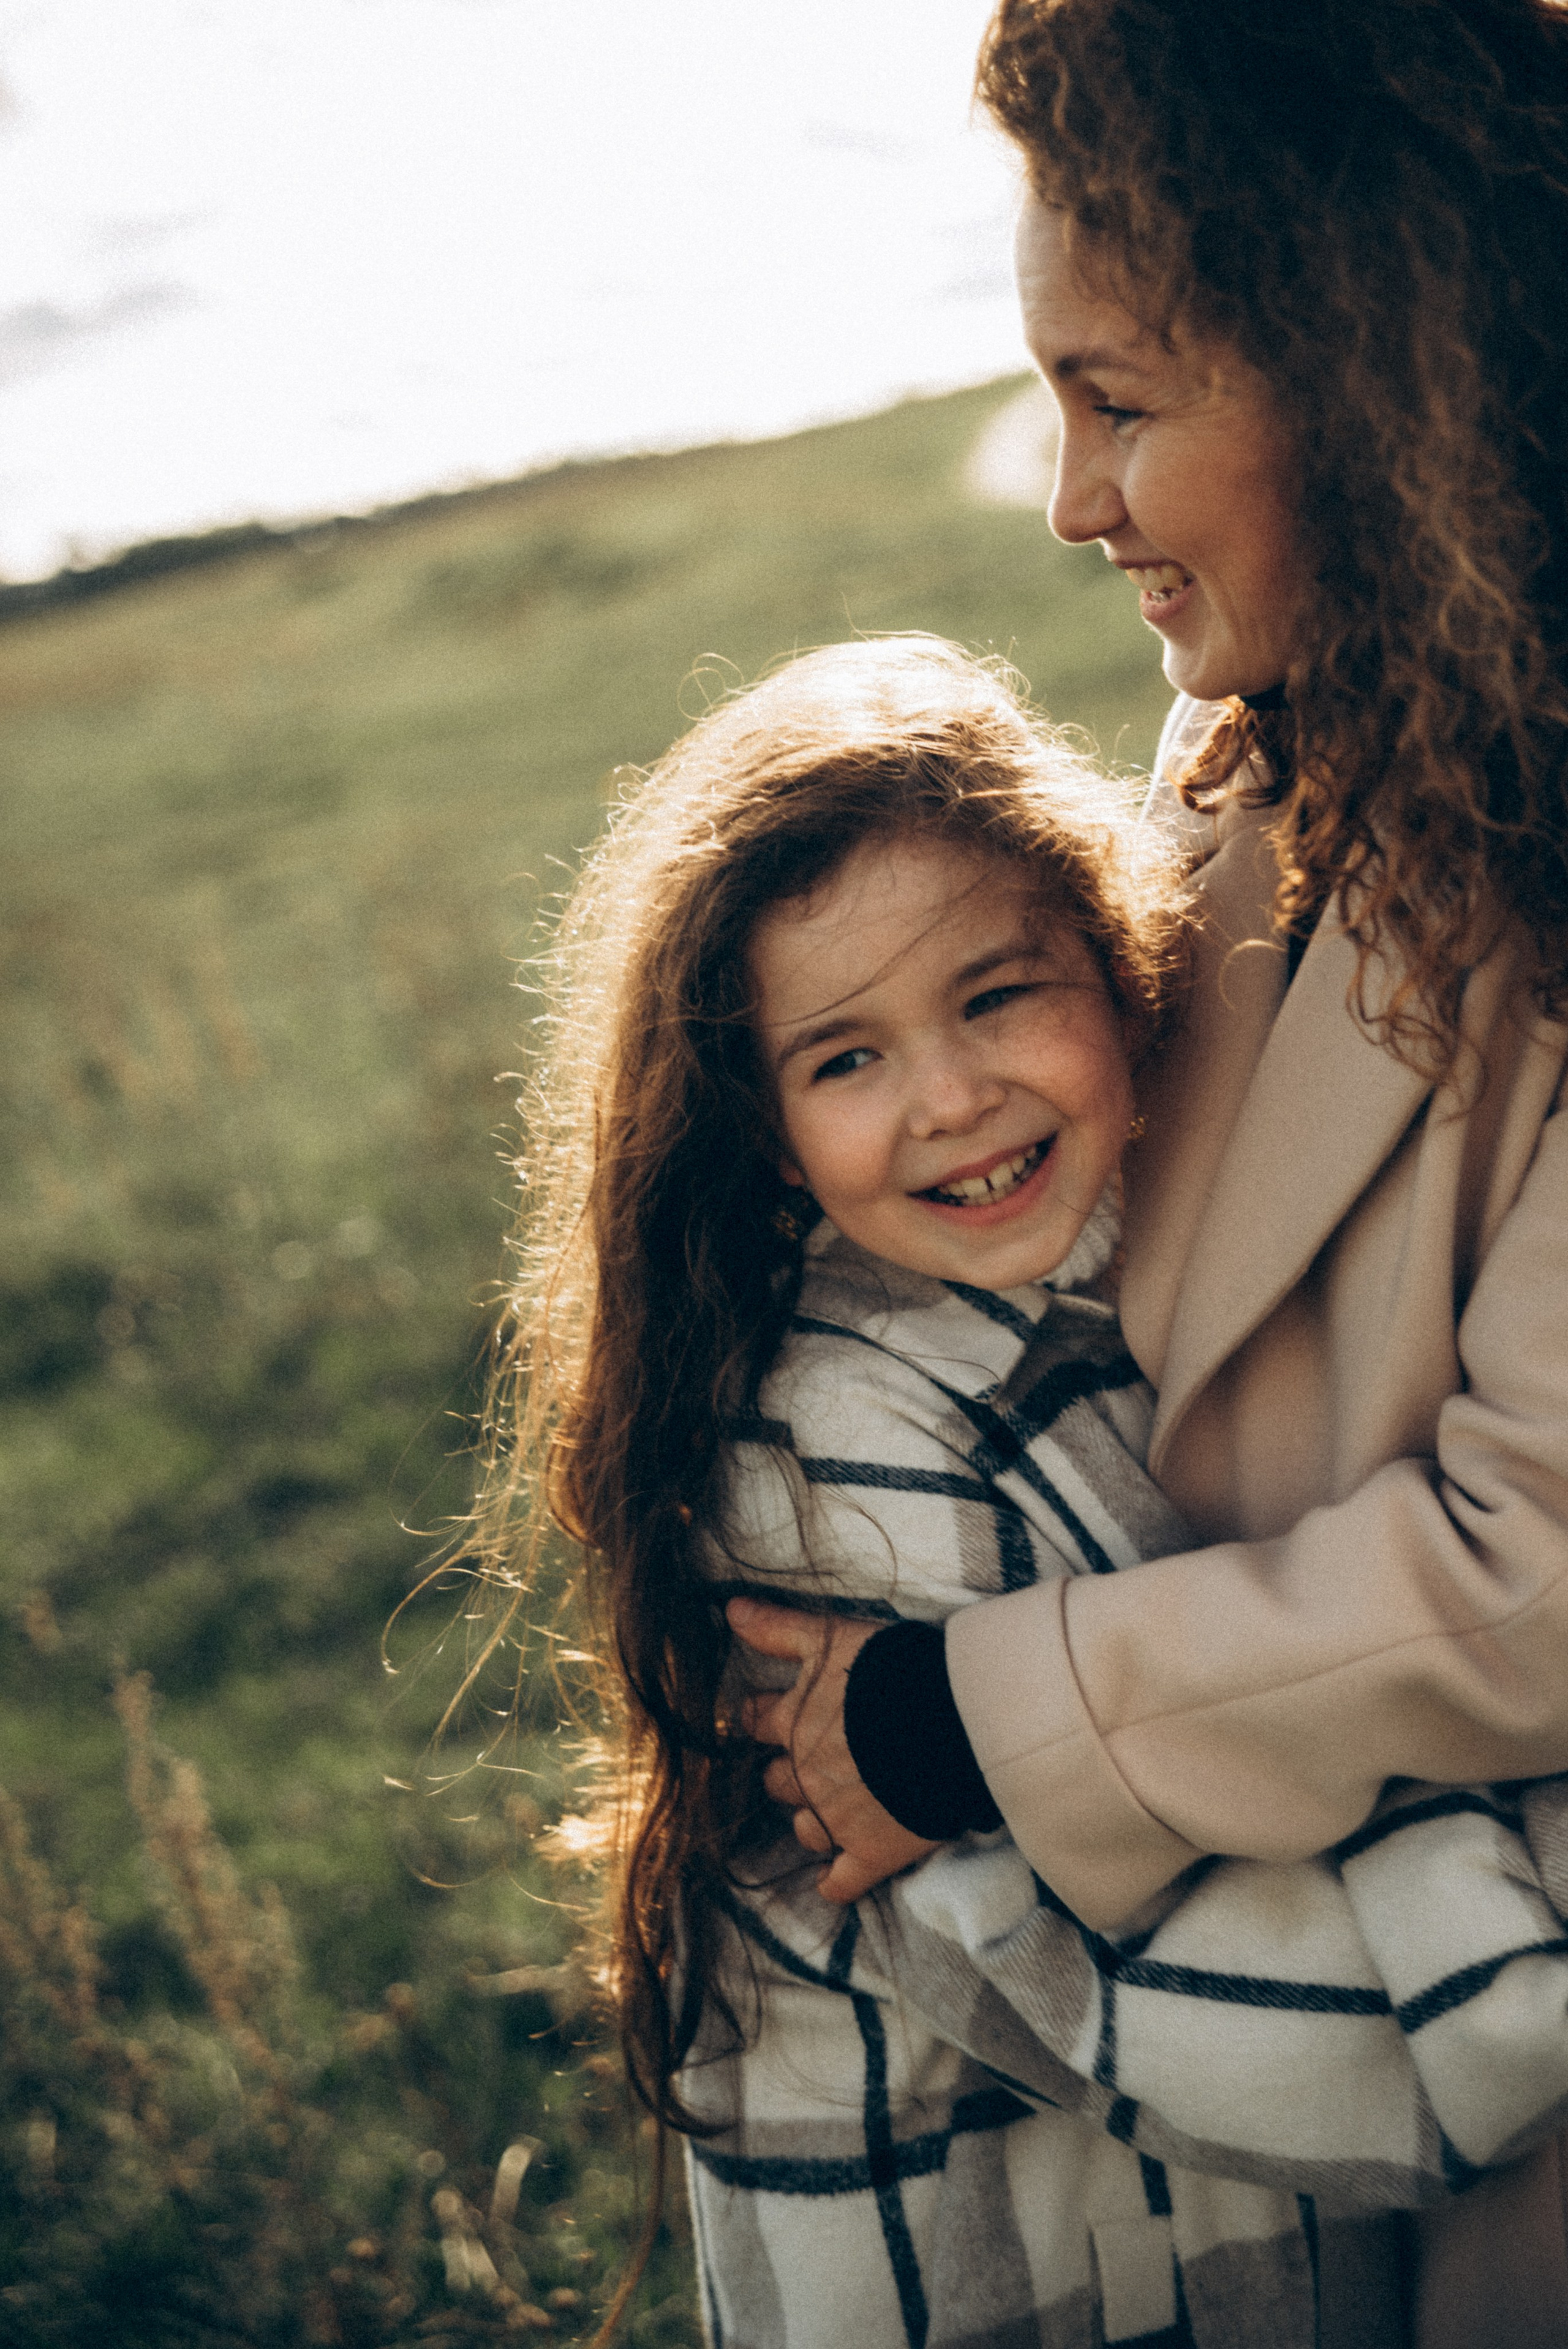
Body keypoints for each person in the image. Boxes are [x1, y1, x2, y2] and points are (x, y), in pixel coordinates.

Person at [729, 3, 1568, 2342]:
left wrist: (966, 1715)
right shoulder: (1271, 754)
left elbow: (1540, 1565)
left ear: (1385, 378)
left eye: (1122, 401)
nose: (1074, 502)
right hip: (1287, 2032)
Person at [481, 636, 1568, 2349]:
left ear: (1129, 971)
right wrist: (1523, 1957)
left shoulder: (1115, 1286)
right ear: (765, 1131)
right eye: (846, 1058)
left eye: (999, 997)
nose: (954, 1095)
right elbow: (1150, 1992)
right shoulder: (833, 1471)